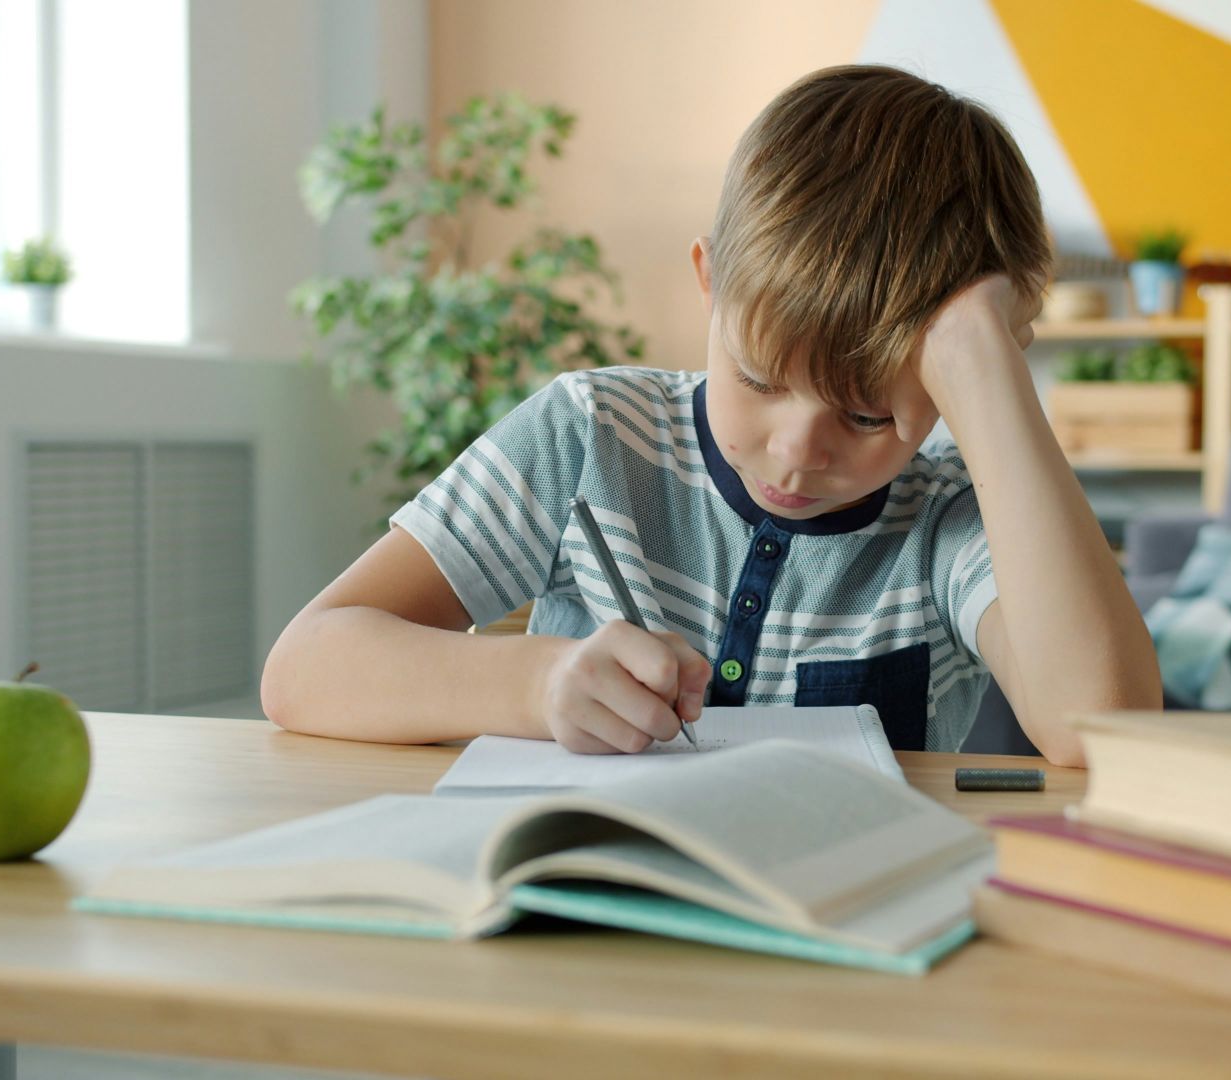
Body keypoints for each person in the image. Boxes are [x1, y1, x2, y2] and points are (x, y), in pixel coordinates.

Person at [261, 64, 1160, 766]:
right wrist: (536, 686)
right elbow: (305, 669)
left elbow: (1101, 727)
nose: (797, 451)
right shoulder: (588, 436)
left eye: (867, 415)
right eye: (762, 379)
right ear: (708, 282)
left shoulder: (950, 520)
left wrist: (983, 361)